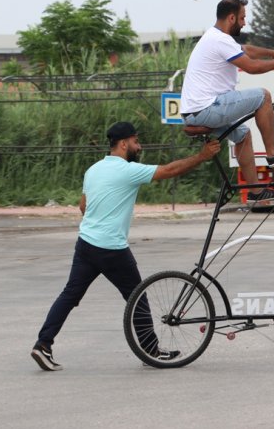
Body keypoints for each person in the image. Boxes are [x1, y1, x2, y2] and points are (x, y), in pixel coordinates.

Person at [30, 121, 220, 371]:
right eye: (136, 141)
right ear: (123, 144)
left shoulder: (93, 170)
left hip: (86, 244)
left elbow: (83, 206)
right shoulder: (127, 170)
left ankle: (43, 345)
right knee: (137, 296)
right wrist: (202, 156)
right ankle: (151, 351)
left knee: (70, 295)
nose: (138, 146)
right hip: (112, 248)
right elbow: (169, 170)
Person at [180, 0, 274, 204]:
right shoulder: (220, 40)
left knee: (243, 135)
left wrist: (273, 53)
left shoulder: (215, 37)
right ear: (232, 18)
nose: (245, 23)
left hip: (195, 112)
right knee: (263, 97)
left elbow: (247, 50)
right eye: (243, 18)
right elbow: (251, 67)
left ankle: (254, 191)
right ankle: (273, 153)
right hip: (207, 108)